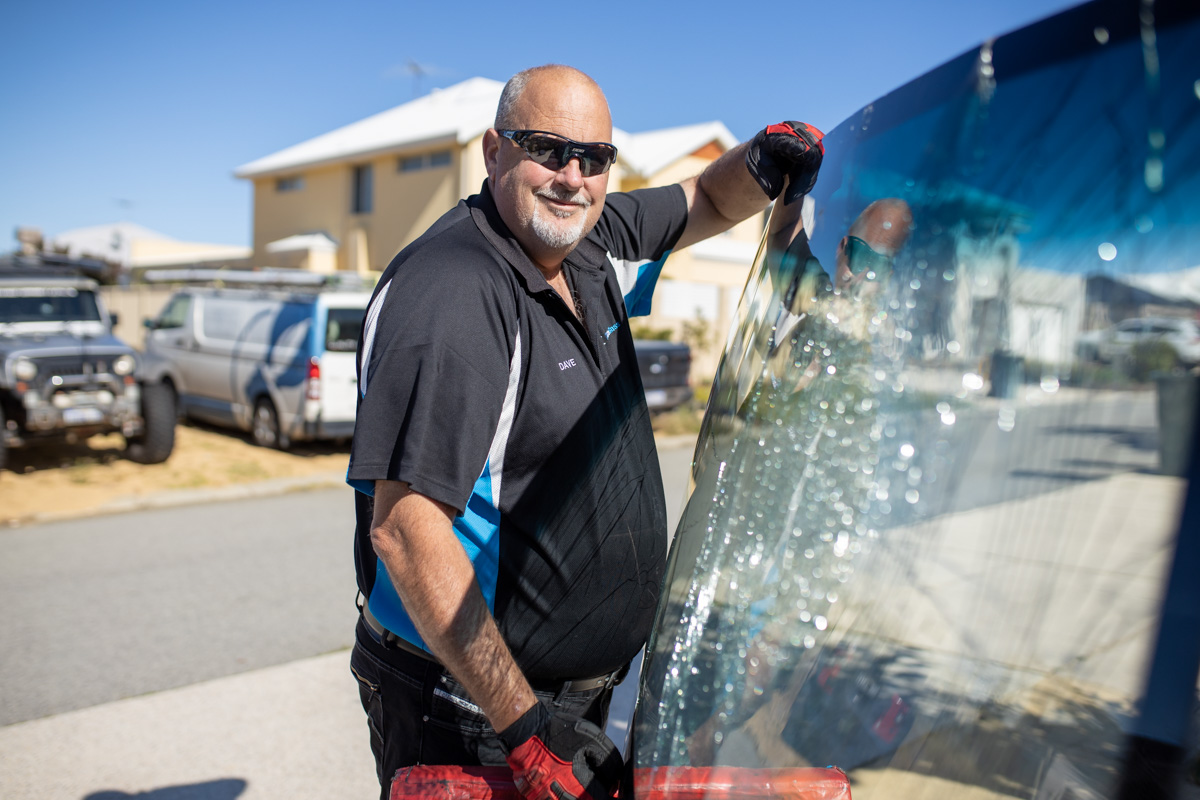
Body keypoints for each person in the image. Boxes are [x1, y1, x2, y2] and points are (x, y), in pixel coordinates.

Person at [346, 63, 824, 800]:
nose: (572, 176)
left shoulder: (583, 245)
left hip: (567, 699)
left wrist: (762, 162)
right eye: (547, 148)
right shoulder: (456, 292)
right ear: (494, 151)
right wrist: (525, 730)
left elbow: (701, 198)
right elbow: (408, 531)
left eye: (593, 158)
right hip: (474, 705)